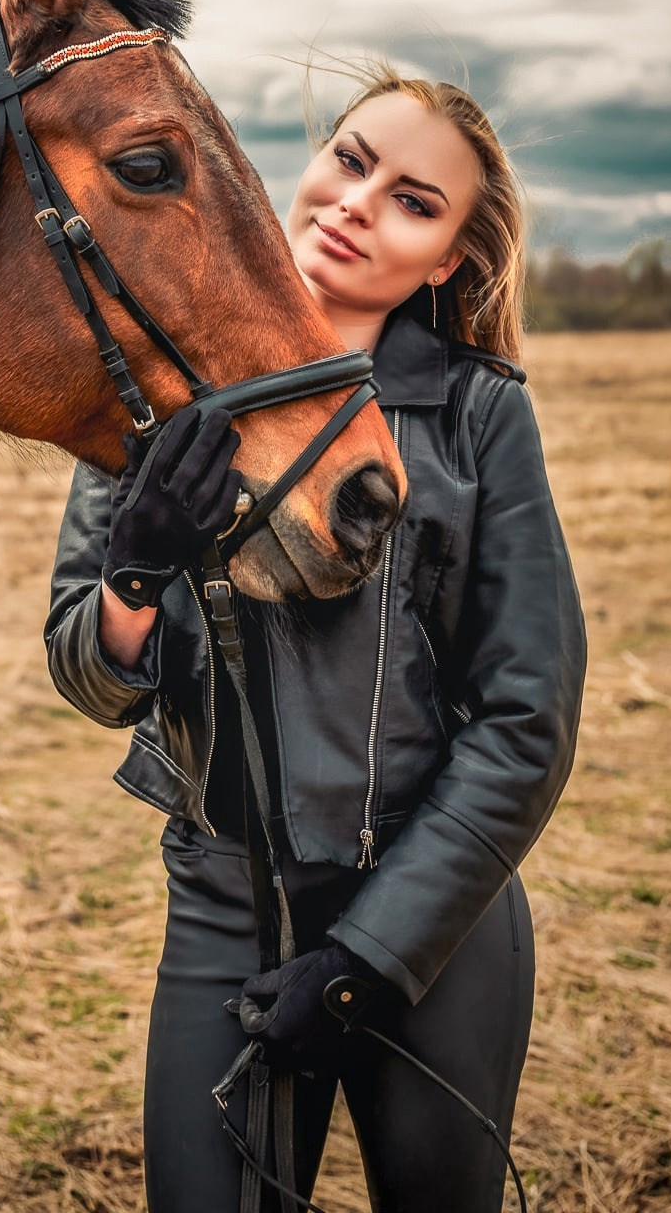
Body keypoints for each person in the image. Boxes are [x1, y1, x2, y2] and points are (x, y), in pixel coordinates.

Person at [44, 65, 587, 1213]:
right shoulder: (146, 387)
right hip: (221, 914)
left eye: (412, 199)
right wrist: (135, 569)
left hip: (434, 928)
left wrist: (366, 959)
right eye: (350, 159)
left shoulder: (482, 414)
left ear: (445, 261)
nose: (356, 200)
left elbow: (527, 719)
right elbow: (87, 673)